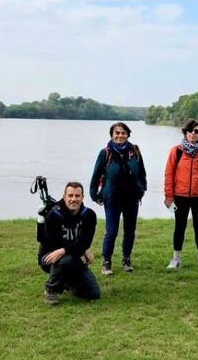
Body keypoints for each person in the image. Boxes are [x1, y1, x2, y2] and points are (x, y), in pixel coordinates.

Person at [89, 122, 147, 276]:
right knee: (111, 231)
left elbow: (141, 172)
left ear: (128, 134)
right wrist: (94, 195)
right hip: (112, 198)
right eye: (117, 133)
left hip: (131, 198)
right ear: (112, 135)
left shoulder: (134, 151)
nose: (120, 135)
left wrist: (142, 189)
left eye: (123, 133)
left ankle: (126, 259)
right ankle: (106, 262)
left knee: (130, 231)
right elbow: (95, 175)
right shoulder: (105, 153)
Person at [163, 118, 198, 271]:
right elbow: (169, 174)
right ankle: (176, 259)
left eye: (197, 131)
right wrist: (168, 196)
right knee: (179, 227)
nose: (193, 133)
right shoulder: (176, 151)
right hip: (180, 196)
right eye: (190, 130)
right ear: (185, 132)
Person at [38, 182, 100, 305]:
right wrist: (71, 250)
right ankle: (51, 289)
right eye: (70, 195)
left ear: (83, 197)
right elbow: (54, 245)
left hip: (73, 256)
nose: (73, 199)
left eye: (77, 196)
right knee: (65, 260)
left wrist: (75, 249)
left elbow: (84, 243)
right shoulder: (53, 215)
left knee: (93, 293)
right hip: (49, 256)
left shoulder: (89, 216)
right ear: (64, 196)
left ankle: (67, 282)